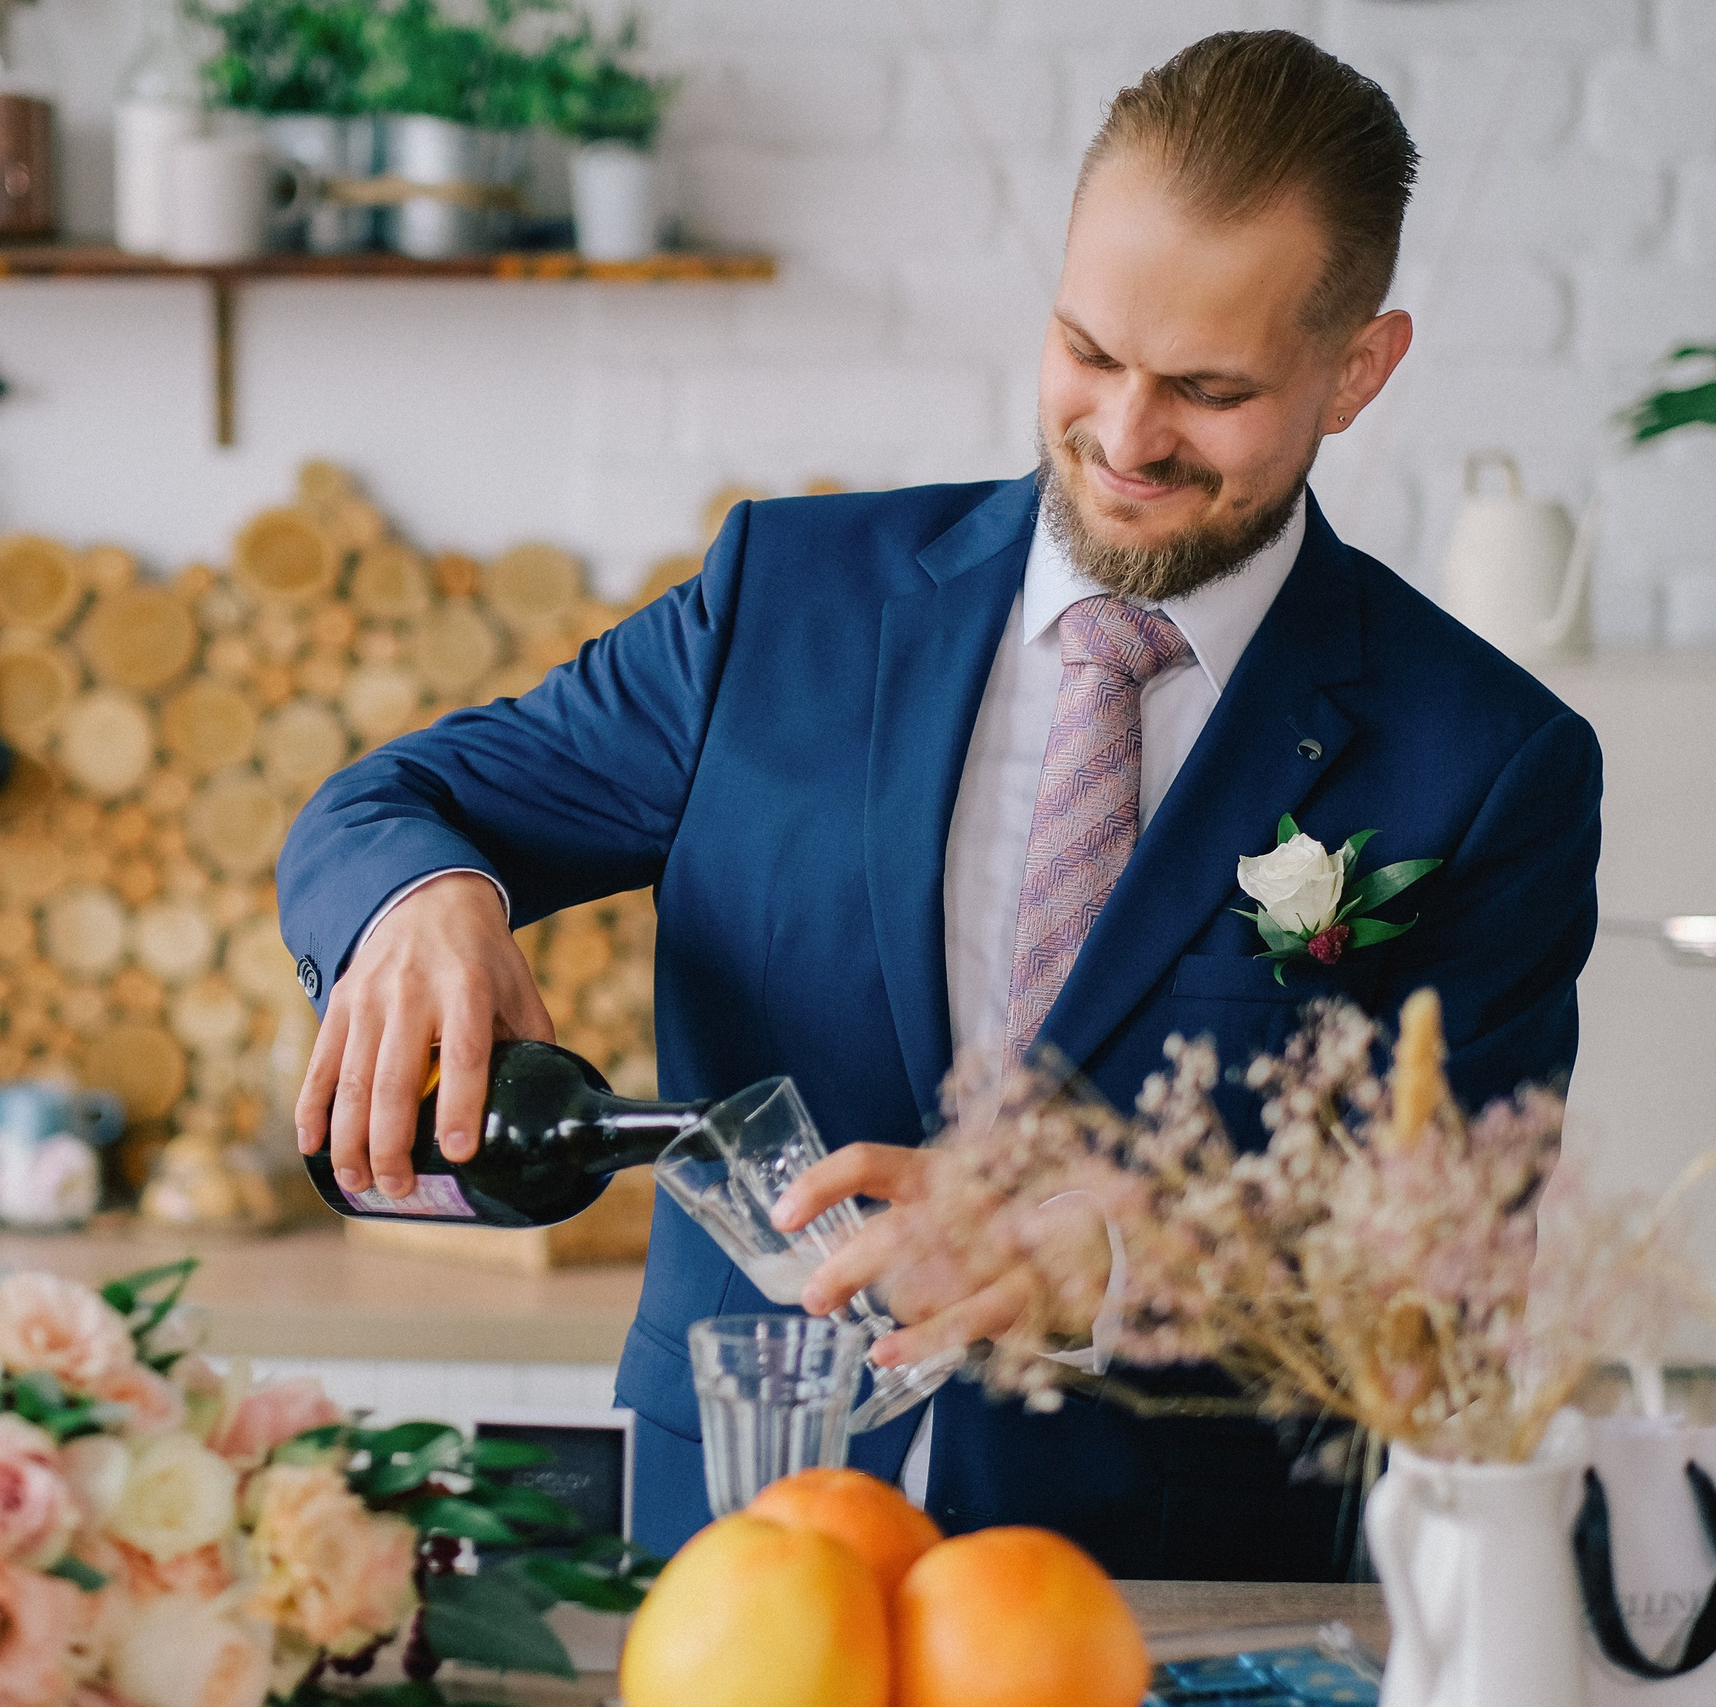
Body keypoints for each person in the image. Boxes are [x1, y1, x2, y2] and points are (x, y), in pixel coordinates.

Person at [276, 31, 1600, 1578]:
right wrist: (426, 900)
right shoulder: (783, 598)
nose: (1124, 436)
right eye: (1089, 352)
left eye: (1210, 390)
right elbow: (401, 797)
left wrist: (1126, 1259)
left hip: (1165, 1604)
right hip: (728, 1553)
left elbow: (1458, 1273)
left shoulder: (1486, 761)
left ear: (1359, 369)